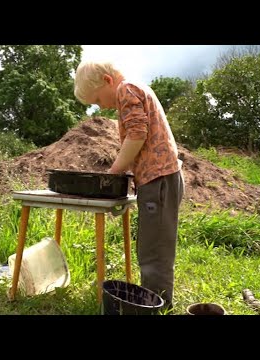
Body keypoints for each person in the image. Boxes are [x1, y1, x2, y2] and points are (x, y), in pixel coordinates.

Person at [74, 60, 185, 310]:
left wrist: (115, 171)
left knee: (154, 251)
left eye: (98, 100)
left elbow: (137, 134)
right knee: (152, 245)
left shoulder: (126, 89)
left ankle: (158, 306)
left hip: (159, 181)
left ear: (107, 81)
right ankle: (157, 301)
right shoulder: (134, 89)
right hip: (159, 180)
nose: (101, 106)